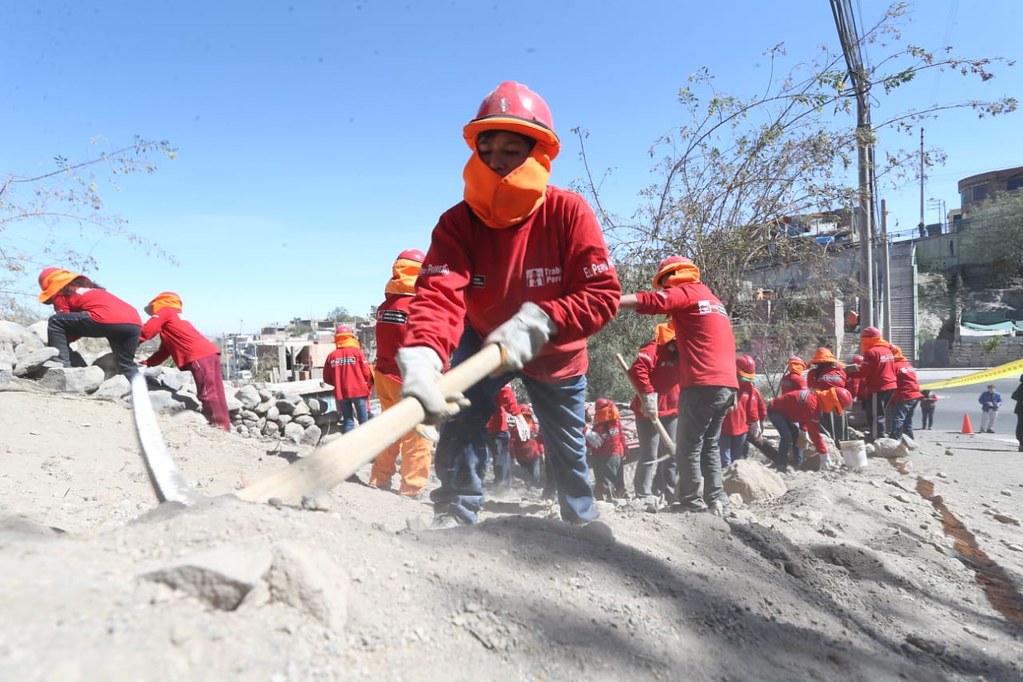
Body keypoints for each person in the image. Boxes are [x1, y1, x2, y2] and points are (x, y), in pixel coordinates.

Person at [395, 81, 621, 528]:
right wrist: (423, 352)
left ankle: (582, 521)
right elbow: (440, 294)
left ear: (538, 154)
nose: (496, 158)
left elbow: (602, 296)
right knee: (460, 419)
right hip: (484, 339)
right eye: (487, 146)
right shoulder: (457, 223)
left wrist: (542, 320)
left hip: (557, 352)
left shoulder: (568, 213)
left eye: (511, 148)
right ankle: (456, 513)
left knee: (566, 445)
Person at [619, 255, 737, 516]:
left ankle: (690, 502)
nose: (664, 290)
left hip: (702, 384)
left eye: (664, 284)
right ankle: (718, 499)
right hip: (727, 384)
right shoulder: (713, 300)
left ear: (670, 277)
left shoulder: (687, 292)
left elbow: (653, 302)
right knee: (710, 445)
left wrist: (611, 301)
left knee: (688, 447)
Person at [368, 249, 435, 498]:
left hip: (384, 377)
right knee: (418, 435)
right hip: (408, 379)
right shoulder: (419, 307)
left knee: (389, 429)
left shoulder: (385, 306)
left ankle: (379, 477)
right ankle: (412, 488)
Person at [139, 292, 231, 431]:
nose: (152, 314)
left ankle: (218, 427)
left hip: (199, 356)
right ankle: (224, 425)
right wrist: (148, 362)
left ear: (158, 304)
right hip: (209, 353)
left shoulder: (166, 310)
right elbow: (165, 350)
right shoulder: (175, 319)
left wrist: (131, 341)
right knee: (216, 391)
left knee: (207, 392)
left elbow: (147, 330)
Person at [37, 267, 142, 377]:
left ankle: (61, 367)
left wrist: (57, 346)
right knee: (126, 365)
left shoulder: (60, 293)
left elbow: (63, 321)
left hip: (104, 318)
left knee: (55, 321)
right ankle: (145, 390)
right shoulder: (91, 291)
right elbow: (78, 326)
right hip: (134, 323)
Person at [627, 322, 680, 501]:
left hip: (672, 411)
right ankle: (643, 495)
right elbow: (638, 369)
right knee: (649, 454)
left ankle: (672, 494)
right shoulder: (653, 348)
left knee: (672, 454)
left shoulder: (683, 353)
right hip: (648, 411)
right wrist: (649, 395)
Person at [767, 387, 853, 471]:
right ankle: (781, 464)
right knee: (787, 436)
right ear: (831, 401)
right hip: (775, 410)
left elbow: (802, 413)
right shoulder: (812, 405)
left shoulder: (815, 400)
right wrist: (824, 455)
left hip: (788, 413)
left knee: (797, 437)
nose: (832, 410)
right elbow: (815, 434)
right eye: (835, 407)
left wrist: (803, 430)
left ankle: (797, 464)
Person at [322, 324, 373, 433]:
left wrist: (338, 382)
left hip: (342, 394)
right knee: (364, 422)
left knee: (349, 422)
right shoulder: (357, 352)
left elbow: (326, 378)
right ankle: (367, 445)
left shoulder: (332, 356)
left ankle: (349, 447)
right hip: (358, 391)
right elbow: (366, 372)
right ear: (351, 337)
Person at [720, 354, 766, 467]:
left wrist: (755, 424)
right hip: (723, 429)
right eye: (743, 377)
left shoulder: (749, 387)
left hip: (741, 431)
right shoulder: (724, 383)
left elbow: (752, 408)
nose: (745, 381)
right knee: (724, 461)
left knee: (737, 461)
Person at [857, 326, 897, 441]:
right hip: (891, 385)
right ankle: (882, 434)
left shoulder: (871, 352)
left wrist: (848, 373)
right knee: (881, 411)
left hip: (878, 386)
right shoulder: (887, 350)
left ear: (868, 339)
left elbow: (864, 371)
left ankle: (877, 437)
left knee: (875, 414)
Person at [585, 398, 626, 501]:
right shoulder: (597, 429)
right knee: (602, 479)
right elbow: (591, 444)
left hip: (615, 455)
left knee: (617, 477)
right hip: (600, 457)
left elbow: (622, 438)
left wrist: (625, 449)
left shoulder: (616, 424)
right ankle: (603, 497)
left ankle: (619, 495)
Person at [484, 385, 521, 491]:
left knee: (476, 455)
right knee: (501, 457)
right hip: (496, 424)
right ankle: (502, 488)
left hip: (477, 422)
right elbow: (504, 391)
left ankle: (473, 484)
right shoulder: (496, 370)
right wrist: (517, 414)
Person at [807, 347, 847, 441]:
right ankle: (841, 445)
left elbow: (811, 389)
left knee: (825, 430)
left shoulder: (813, 373)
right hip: (839, 404)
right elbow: (844, 385)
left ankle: (828, 444)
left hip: (823, 405)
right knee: (839, 429)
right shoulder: (840, 372)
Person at [888, 345, 922, 441]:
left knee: (898, 418)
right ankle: (910, 441)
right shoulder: (907, 365)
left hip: (905, 395)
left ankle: (894, 440)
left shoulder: (894, 366)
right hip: (915, 395)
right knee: (908, 420)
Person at [510, 404, 544, 486]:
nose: (527, 418)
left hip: (534, 455)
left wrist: (542, 452)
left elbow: (538, 440)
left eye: (528, 416)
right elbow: (511, 444)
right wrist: (513, 457)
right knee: (524, 477)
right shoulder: (516, 429)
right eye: (524, 415)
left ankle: (534, 488)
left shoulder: (534, 428)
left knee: (535, 478)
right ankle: (526, 488)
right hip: (521, 457)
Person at [1011, 376, 1023, 452]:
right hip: (1021, 409)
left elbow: (1014, 396)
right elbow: (1014, 396)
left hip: (1020, 409)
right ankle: (1021, 444)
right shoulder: (1022, 386)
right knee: (1021, 427)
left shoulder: (1021, 386)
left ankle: (1021, 444)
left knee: (1020, 426)